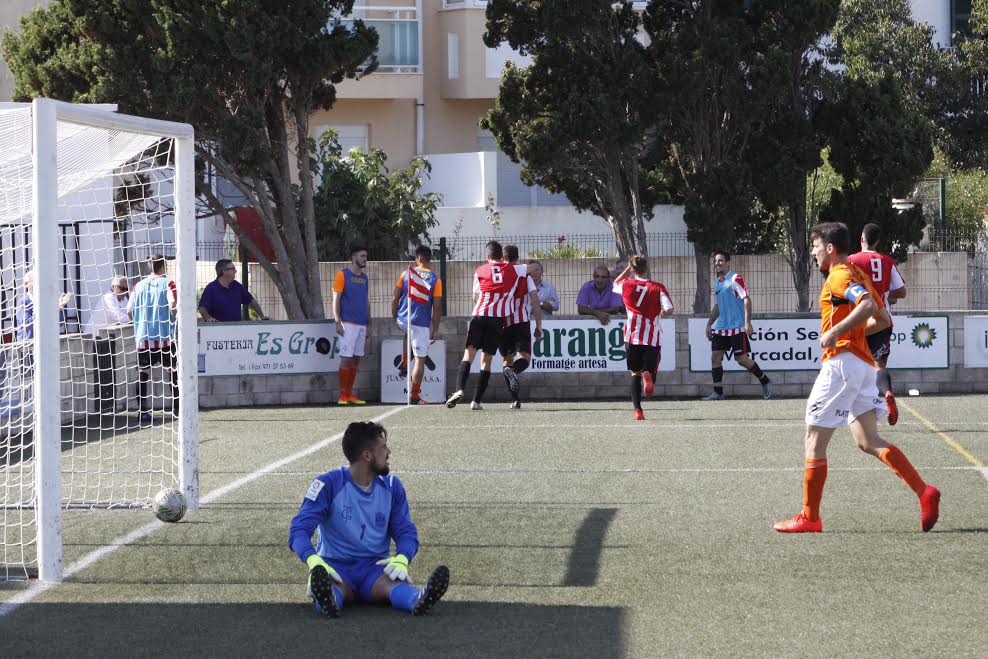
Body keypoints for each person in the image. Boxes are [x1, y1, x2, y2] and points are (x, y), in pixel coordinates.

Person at [773, 222, 940, 534]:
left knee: (813, 437)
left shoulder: (839, 275)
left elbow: (865, 305)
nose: (813, 252)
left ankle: (810, 517)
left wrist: (836, 332)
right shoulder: (857, 273)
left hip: (843, 365)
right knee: (868, 441)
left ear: (830, 248)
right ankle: (925, 492)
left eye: (815, 246)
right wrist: (850, 330)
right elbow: (882, 318)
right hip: (863, 367)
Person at [288, 421, 449, 618]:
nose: (388, 452)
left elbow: (405, 530)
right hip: (335, 568)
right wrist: (315, 562)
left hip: (374, 570)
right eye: (383, 447)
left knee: (394, 584)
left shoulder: (392, 486)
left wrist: (402, 557)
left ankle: (418, 599)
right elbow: (299, 530)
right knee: (331, 589)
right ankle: (327, 599)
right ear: (367, 455)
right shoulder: (327, 484)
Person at [446, 240, 519, 410]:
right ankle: (476, 401)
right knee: (486, 361)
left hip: (479, 316)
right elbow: (527, 269)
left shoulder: (480, 270)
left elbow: (475, 297)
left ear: (488, 256)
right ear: (502, 257)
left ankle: (459, 389)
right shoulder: (511, 269)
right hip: (496, 320)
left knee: (468, 355)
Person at [847, 223, 907, 425]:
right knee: (878, 364)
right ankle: (887, 392)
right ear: (878, 242)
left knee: (853, 363)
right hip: (882, 321)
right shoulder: (887, 261)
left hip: (858, 319)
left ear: (861, 239)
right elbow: (901, 291)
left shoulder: (851, 261)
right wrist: (887, 298)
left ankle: (856, 410)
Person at [702, 251, 773, 401]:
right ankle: (718, 392)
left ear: (728, 262)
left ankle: (765, 380)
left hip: (736, 327)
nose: (718, 263)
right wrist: (709, 323)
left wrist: (747, 322)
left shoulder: (735, 278)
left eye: (721, 260)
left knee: (741, 359)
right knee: (715, 357)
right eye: (716, 261)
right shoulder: (718, 282)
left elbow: (746, 299)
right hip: (721, 328)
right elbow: (718, 306)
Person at [612, 256, 674, 421]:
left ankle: (638, 411)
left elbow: (614, 283)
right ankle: (649, 375)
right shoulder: (657, 288)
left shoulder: (626, 284)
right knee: (650, 370)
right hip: (652, 336)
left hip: (632, 336)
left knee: (634, 373)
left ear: (632, 269)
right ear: (646, 268)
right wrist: (663, 313)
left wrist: (627, 270)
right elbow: (669, 309)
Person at [128, 254, 178, 425]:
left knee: (144, 373)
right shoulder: (168, 284)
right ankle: (177, 410)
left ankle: (143, 412)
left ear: (150, 267)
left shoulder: (138, 285)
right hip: (165, 337)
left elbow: (129, 310)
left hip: (143, 337)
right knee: (172, 371)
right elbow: (173, 307)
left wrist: (140, 320)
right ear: (163, 267)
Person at [391, 245, 442, 405]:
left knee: (407, 331)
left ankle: (405, 363)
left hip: (403, 319)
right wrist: (436, 329)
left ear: (418, 258)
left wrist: (394, 317)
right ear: (429, 259)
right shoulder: (435, 279)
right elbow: (437, 307)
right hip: (421, 324)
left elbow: (395, 298)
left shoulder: (405, 274)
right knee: (420, 361)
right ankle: (414, 396)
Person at [497, 244, 542, 410]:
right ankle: (514, 372)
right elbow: (536, 301)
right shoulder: (524, 275)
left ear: (503, 258)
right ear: (517, 258)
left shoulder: (499, 275)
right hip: (521, 322)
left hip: (502, 322)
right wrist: (539, 326)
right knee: (525, 358)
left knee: (506, 360)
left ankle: (515, 400)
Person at [85, 275, 131, 412]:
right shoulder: (108, 298)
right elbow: (120, 317)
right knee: (98, 374)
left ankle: (108, 405)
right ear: (114, 288)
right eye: (122, 289)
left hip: (106, 339)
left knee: (108, 373)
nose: (124, 292)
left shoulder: (124, 299)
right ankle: (101, 408)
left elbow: (127, 314)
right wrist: (132, 318)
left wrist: (130, 318)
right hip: (93, 338)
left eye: (126, 289)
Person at [332, 246, 370, 405]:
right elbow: (336, 300)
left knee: (356, 359)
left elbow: (367, 302)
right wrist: (337, 321)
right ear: (354, 257)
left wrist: (369, 323)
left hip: (362, 324)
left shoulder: (365, 277)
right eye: (362, 256)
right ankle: (342, 395)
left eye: (366, 256)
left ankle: (349, 394)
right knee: (346, 359)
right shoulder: (342, 275)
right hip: (347, 323)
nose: (365, 259)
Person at [198, 259, 268, 322]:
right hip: (217, 330)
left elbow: (252, 301)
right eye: (233, 269)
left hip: (236, 329)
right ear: (223, 271)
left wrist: (262, 316)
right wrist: (208, 318)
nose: (235, 271)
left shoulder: (237, 286)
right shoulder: (211, 288)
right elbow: (202, 308)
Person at [15, 270, 73, 341]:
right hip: (28, 345)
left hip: (46, 342)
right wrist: (50, 310)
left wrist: (59, 308)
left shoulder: (47, 300)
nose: (26, 284)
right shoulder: (23, 301)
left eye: (29, 281)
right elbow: (27, 324)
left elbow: (60, 323)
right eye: (26, 282)